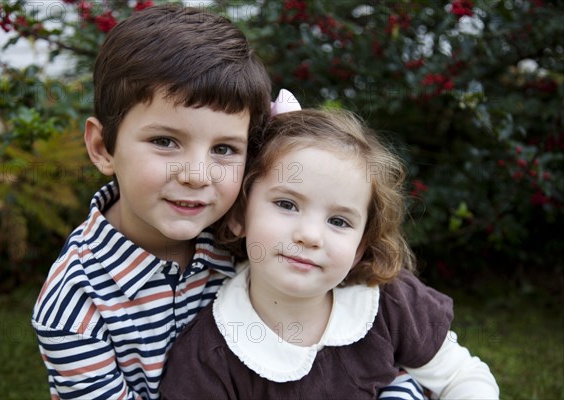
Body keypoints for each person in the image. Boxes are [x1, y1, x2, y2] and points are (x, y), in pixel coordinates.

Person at [159, 105, 500, 399]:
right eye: (286, 204)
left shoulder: (387, 303)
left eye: (338, 221)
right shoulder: (210, 356)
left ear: (360, 247)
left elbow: (462, 377)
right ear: (238, 215)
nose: (310, 236)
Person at [31, 4, 271, 399]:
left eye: (225, 149)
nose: (197, 174)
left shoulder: (244, 241)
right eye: (165, 141)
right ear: (102, 146)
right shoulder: (75, 304)